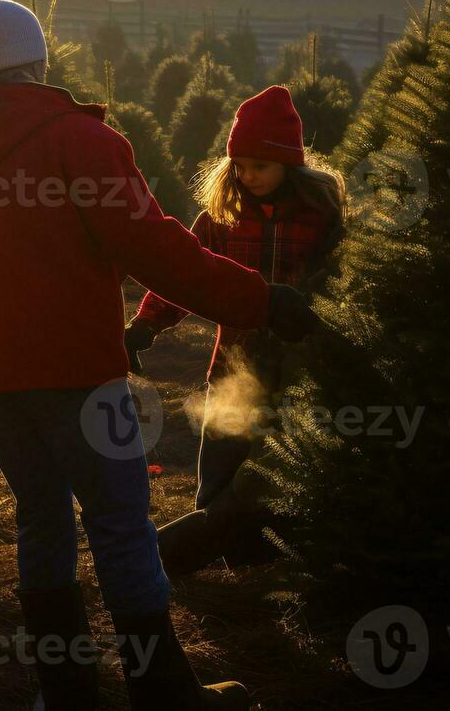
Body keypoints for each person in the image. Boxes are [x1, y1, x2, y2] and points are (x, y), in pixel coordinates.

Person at [0, 0, 319, 711]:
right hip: (72, 365)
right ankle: (162, 690)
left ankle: (66, 690)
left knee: (39, 515)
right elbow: (155, 248)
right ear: (36, 61)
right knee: (118, 520)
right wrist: (260, 301)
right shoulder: (75, 139)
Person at [124, 85, 346, 577]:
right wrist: (146, 324)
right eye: (240, 166)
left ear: (289, 163)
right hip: (232, 363)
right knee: (222, 458)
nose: (248, 176)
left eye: (260, 166)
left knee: (275, 462)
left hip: (293, 367)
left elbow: (340, 279)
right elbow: (182, 273)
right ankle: (213, 543)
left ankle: (257, 556)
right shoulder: (223, 217)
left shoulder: (319, 216)